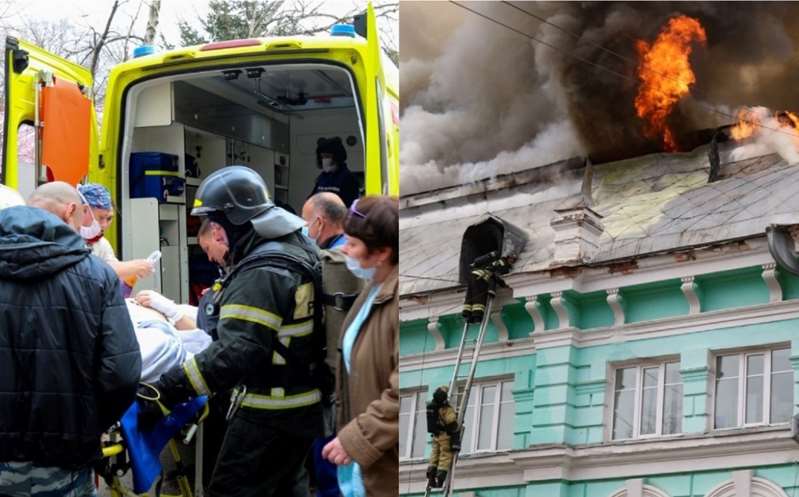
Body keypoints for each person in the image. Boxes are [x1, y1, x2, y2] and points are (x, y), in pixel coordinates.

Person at [147, 166, 326, 497]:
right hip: (302, 406)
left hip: (269, 410)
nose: (215, 254)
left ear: (219, 228)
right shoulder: (297, 247)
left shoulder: (260, 272)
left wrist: (166, 390)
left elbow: (235, 354)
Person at [0, 181, 141, 497]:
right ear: (70, 211)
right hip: (65, 460)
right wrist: (85, 422)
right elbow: (122, 374)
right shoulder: (96, 275)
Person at [321, 196, 398, 497]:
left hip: (386, 469)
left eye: (352, 244)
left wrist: (356, 439)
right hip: (368, 467)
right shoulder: (374, 288)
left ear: (381, 253)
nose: (344, 250)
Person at [302, 192, 361, 497]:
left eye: (305, 222)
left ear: (319, 222)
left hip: (330, 387)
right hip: (352, 381)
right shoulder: (352, 258)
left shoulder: (326, 264)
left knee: (331, 470)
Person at [77, 183, 154, 286]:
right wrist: (133, 267)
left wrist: (133, 273)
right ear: (83, 211)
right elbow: (84, 272)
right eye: (100, 218)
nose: (104, 225)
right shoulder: (64, 239)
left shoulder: (101, 244)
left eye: (109, 218)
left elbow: (114, 271)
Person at [309, 137, 360, 208]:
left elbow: (350, 205)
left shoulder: (348, 178)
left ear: (337, 157)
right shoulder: (322, 177)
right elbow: (311, 199)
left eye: (327, 156)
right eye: (322, 157)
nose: (324, 160)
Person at [426, 386, 460, 488]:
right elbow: (451, 421)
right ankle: (440, 479)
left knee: (434, 455)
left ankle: (431, 475)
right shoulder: (445, 408)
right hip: (445, 435)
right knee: (445, 455)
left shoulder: (432, 406)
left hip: (436, 436)